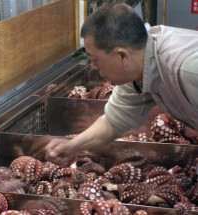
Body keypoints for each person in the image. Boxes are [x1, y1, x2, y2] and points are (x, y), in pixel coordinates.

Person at [45, 3, 198, 166]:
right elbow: (112, 122)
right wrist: (71, 146)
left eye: (95, 59)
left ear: (123, 56)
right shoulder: (138, 67)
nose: (93, 67)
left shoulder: (187, 69)